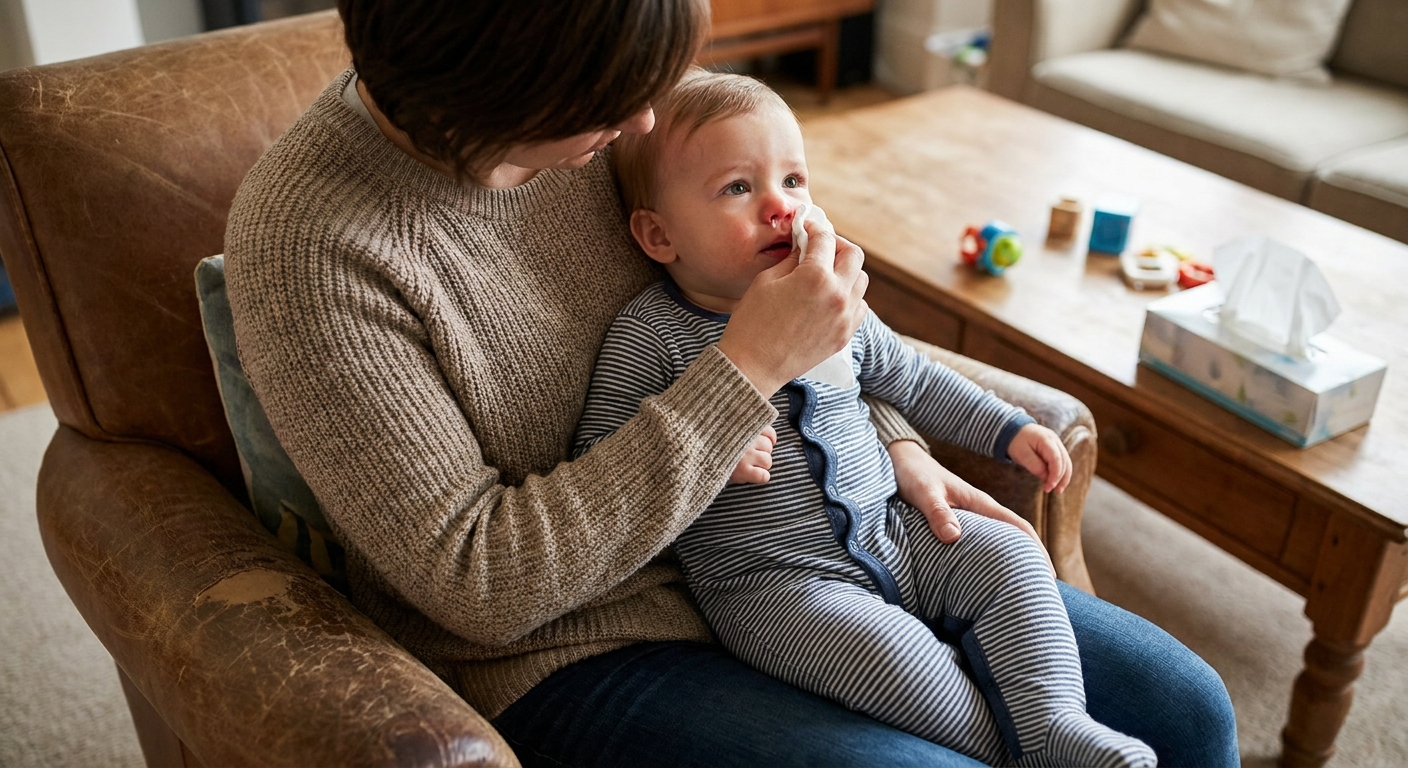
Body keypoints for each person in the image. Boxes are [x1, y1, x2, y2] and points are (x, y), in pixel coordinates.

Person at [223, 1, 1238, 766]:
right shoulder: (316, 247)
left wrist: (891, 440)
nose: (645, 119)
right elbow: (480, 583)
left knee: (1187, 709)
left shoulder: (599, 91)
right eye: (614, 103)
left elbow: (792, 295)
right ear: (503, 84)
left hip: (835, 536)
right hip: (583, 642)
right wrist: (745, 373)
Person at [572, 71, 1155, 768]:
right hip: (778, 591)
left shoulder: (829, 299)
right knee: (895, 660)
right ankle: (1015, 753)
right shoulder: (651, 336)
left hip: (897, 531)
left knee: (1009, 557)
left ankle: (1056, 724)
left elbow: (910, 376)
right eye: (738, 188)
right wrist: (705, 455)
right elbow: (603, 459)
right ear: (658, 235)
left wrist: (1008, 428)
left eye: (793, 181)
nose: (780, 208)